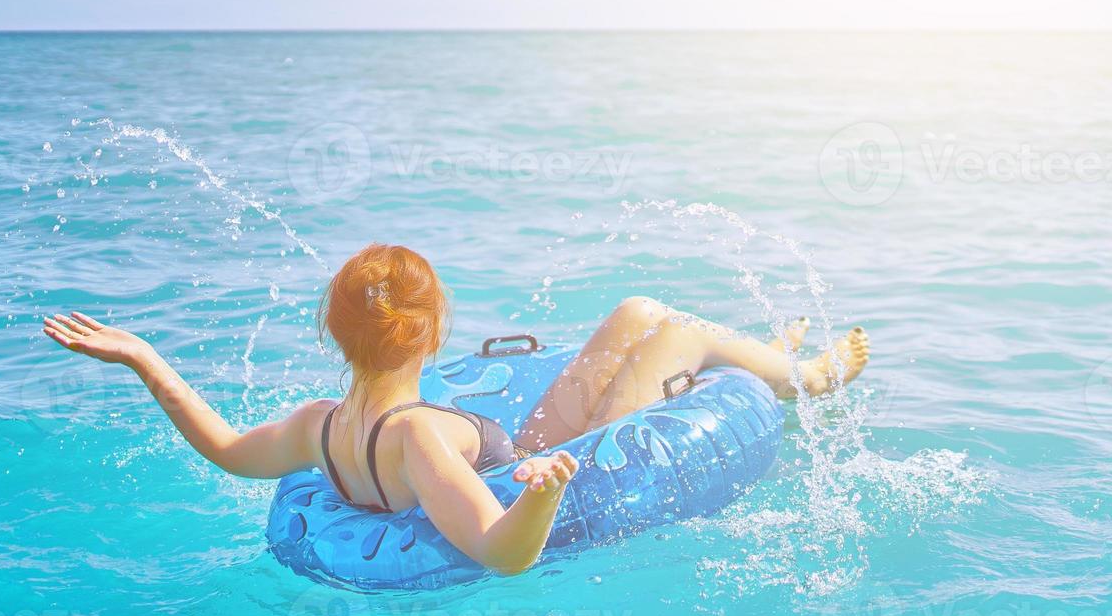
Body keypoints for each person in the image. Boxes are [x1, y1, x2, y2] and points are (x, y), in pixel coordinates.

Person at [42, 243, 870, 575]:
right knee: (668, 328)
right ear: (432, 334)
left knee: (632, 314)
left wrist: (147, 359)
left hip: (520, 444)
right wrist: (542, 490)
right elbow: (498, 555)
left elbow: (222, 448)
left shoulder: (315, 425)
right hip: (571, 456)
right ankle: (804, 374)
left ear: (335, 333)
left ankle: (766, 350)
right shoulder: (420, 442)